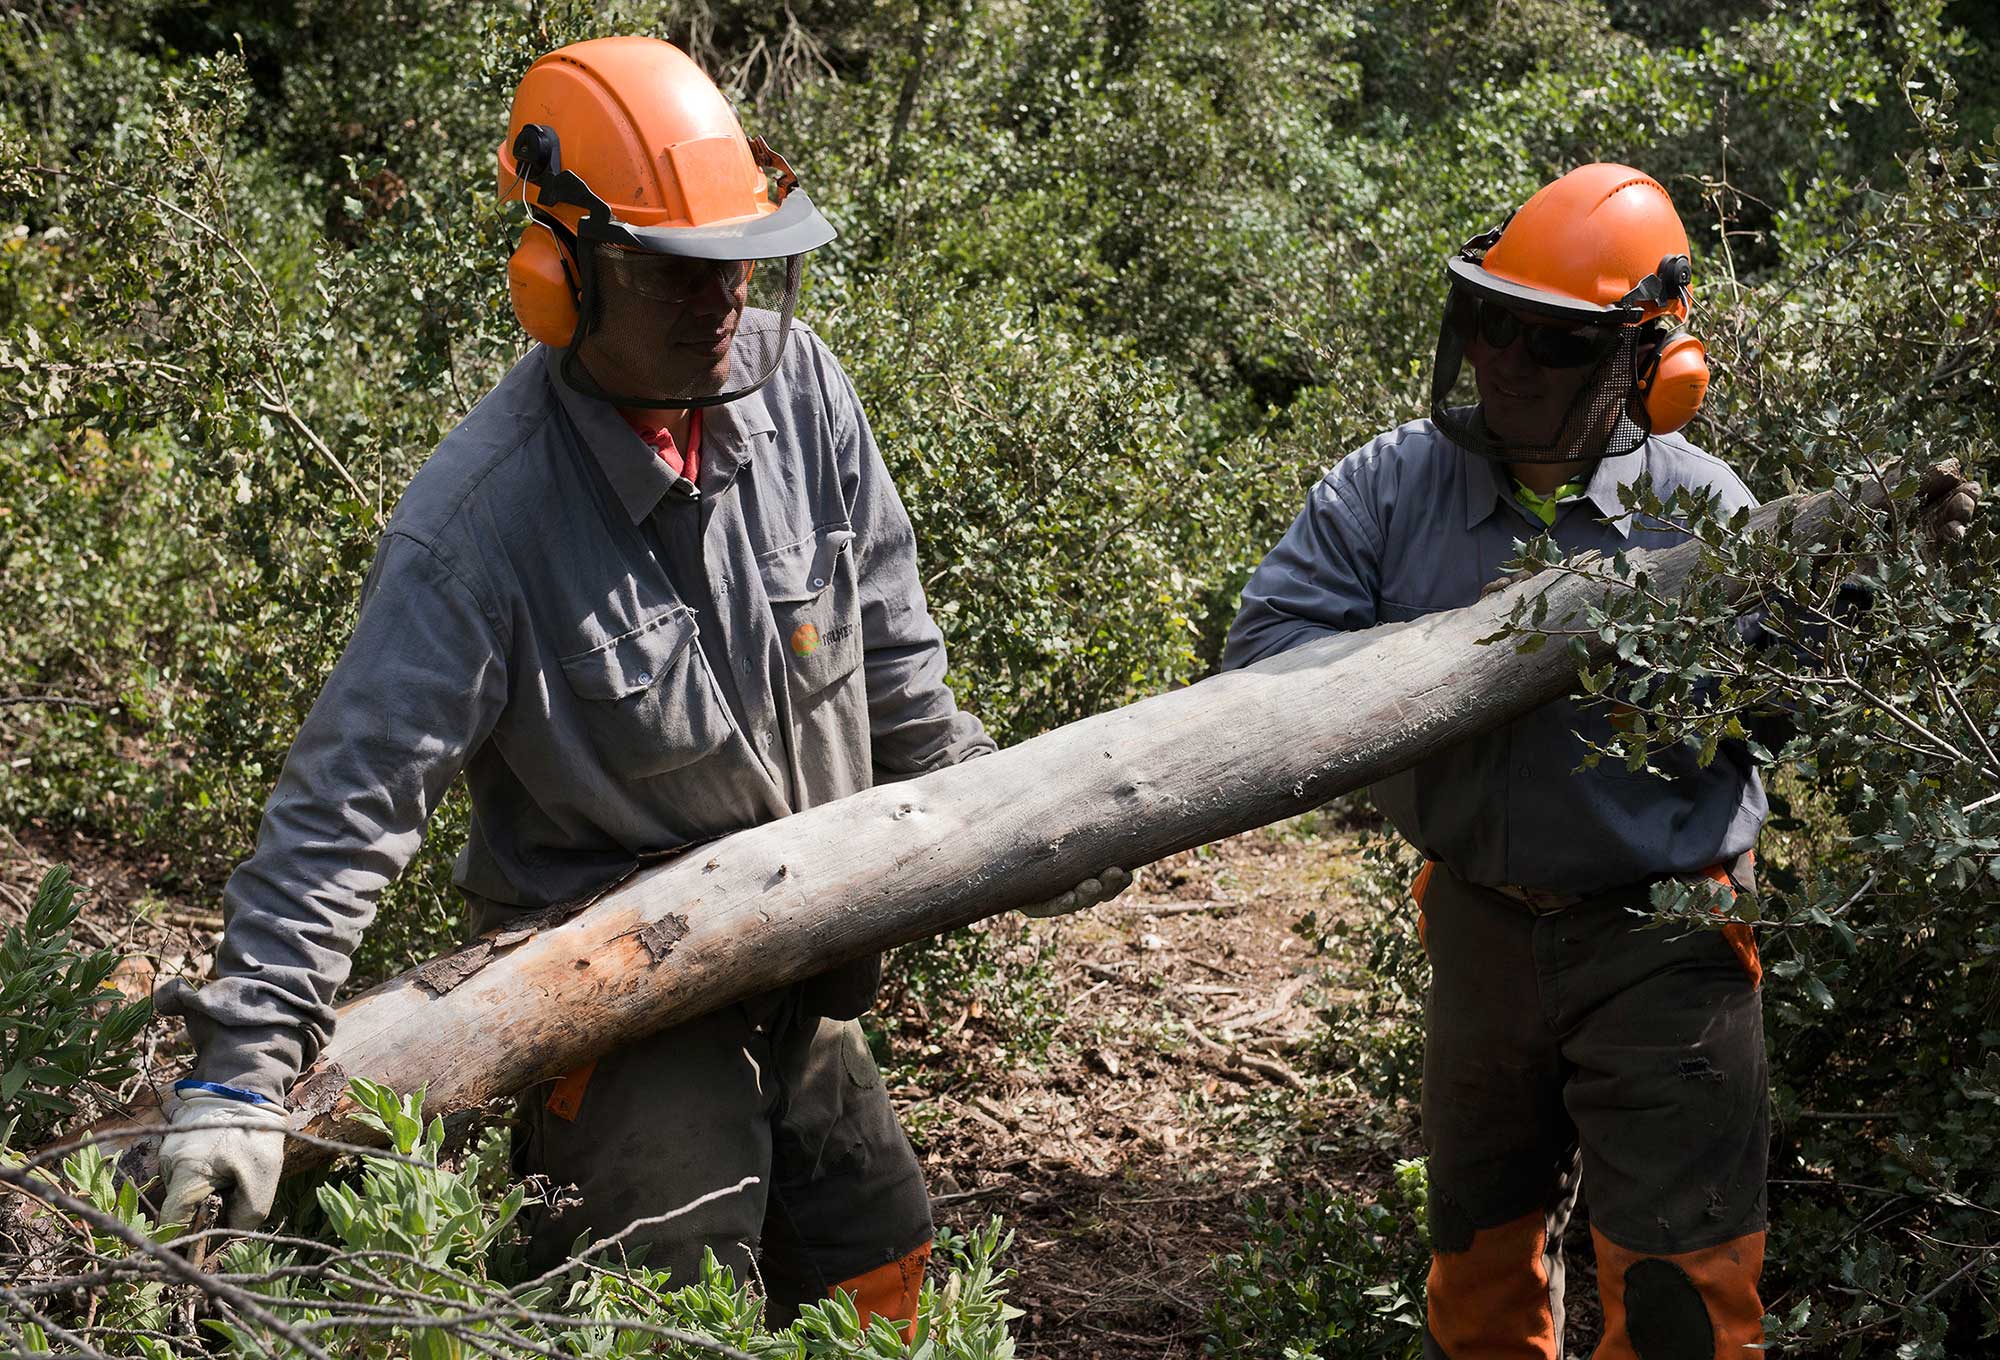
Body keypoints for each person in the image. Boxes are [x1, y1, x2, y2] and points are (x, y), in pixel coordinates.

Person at [152, 35, 1125, 1332]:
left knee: (884, 1270)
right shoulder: (482, 523)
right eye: (677, 275)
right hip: (618, 1020)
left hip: (808, 982)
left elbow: (897, 677)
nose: (722, 301)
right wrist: (237, 1078)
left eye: (737, 262)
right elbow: (348, 804)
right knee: (673, 1307)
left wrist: (1016, 815)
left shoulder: (809, 399)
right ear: (561, 277)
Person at [1222, 164, 1979, 1358]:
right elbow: (1263, 659)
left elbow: (1774, 717)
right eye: (1489, 323)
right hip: (1476, 926)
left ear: (1648, 363)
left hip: (1665, 943)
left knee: (1683, 1301)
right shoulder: (1384, 488)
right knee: (1477, 1270)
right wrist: (1447, 667)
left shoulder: (1708, 514)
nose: (1504, 362)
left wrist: (1854, 600)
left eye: (1550, 342)